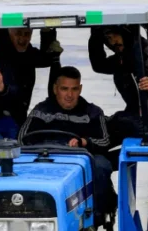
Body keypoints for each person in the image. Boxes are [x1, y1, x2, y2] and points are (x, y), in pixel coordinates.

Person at [18, 67, 114, 215]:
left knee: (101, 165)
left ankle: (96, 216)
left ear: (80, 89)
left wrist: (84, 142)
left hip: (81, 161)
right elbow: (22, 139)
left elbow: (105, 141)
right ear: (55, 89)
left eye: (74, 89)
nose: (69, 95)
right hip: (46, 159)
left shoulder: (93, 112)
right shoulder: (41, 111)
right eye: (64, 89)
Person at [88, 26, 148, 146]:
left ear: (126, 33)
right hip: (135, 114)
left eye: (115, 36)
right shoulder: (123, 56)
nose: (113, 42)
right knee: (96, 122)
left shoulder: (147, 51)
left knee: (105, 125)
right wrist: (95, 37)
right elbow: (99, 65)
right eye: (109, 38)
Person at [0, 27, 63, 128]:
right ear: (9, 33)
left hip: (18, 118)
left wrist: (47, 33)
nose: (22, 39)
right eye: (18, 33)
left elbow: (46, 59)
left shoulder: (28, 53)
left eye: (26, 34)